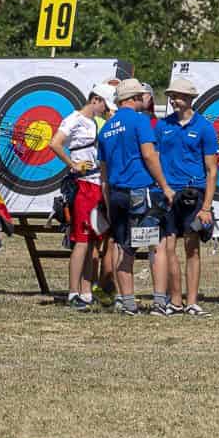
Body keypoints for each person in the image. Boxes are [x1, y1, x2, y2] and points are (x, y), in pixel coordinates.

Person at [95, 79, 176, 316]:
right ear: (133, 98)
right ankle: (160, 303)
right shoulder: (140, 121)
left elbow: (103, 172)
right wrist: (165, 186)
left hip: (117, 193)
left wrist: (108, 204)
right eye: (142, 96)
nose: (145, 99)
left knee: (124, 247)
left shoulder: (107, 128)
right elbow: (149, 156)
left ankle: (128, 304)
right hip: (141, 191)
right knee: (156, 245)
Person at [153, 76, 219, 316]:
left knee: (192, 247)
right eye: (172, 96)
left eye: (179, 96)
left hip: (195, 193)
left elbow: (212, 171)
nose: (174, 100)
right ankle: (175, 300)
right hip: (169, 192)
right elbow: (155, 159)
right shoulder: (162, 126)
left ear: (191, 98)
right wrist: (160, 188)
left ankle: (192, 301)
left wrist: (207, 207)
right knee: (169, 247)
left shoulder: (204, 127)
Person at [47, 83, 114, 312]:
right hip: (83, 185)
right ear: (95, 99)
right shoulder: (74, 118)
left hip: (96, 184)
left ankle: (86, 292)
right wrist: (72, 165)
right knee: (81, 240)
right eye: (105, 104)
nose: (106, 109)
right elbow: (55, 143)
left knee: (94, 240)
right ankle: (73, 291)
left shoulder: (98, 122)